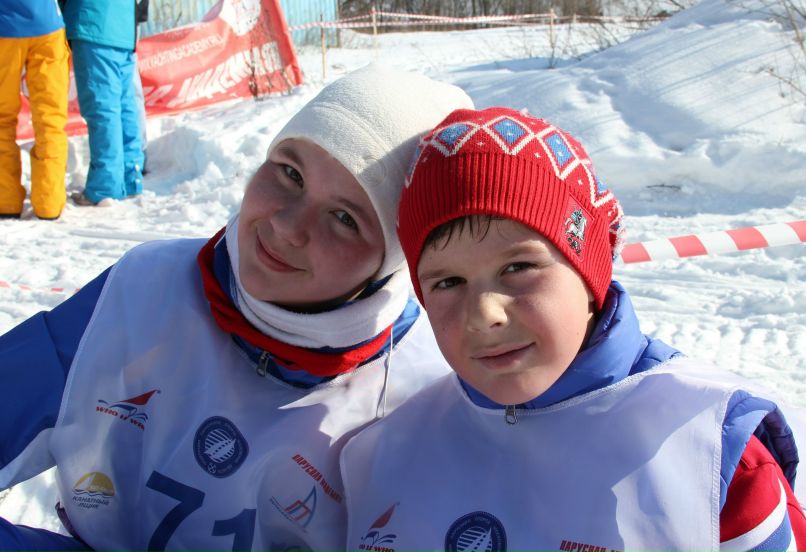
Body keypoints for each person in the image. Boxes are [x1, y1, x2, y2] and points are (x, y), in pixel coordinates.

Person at [0, 65, 473, 551]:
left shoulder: (416, 394)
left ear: (389, 262)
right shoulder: (143, 287)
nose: (289, 225)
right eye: (290, 172)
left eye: (344, 218)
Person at [342, 107, 806, 552]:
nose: (484, 313)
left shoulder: (710, 447)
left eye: (519, 267)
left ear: (589, 273)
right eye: (447, 282)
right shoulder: (390, 446)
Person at [61, 0, 144, 206]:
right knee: (125, 107)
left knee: (102, 109)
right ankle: (130, 177)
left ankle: (104, 186)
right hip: (124, 27)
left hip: (94, 24)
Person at [0, 0, 69, 220]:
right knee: (50, 118)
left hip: (4, 26)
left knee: (1, 118)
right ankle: (49, 202)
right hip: (47, 24)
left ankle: (5, 200)